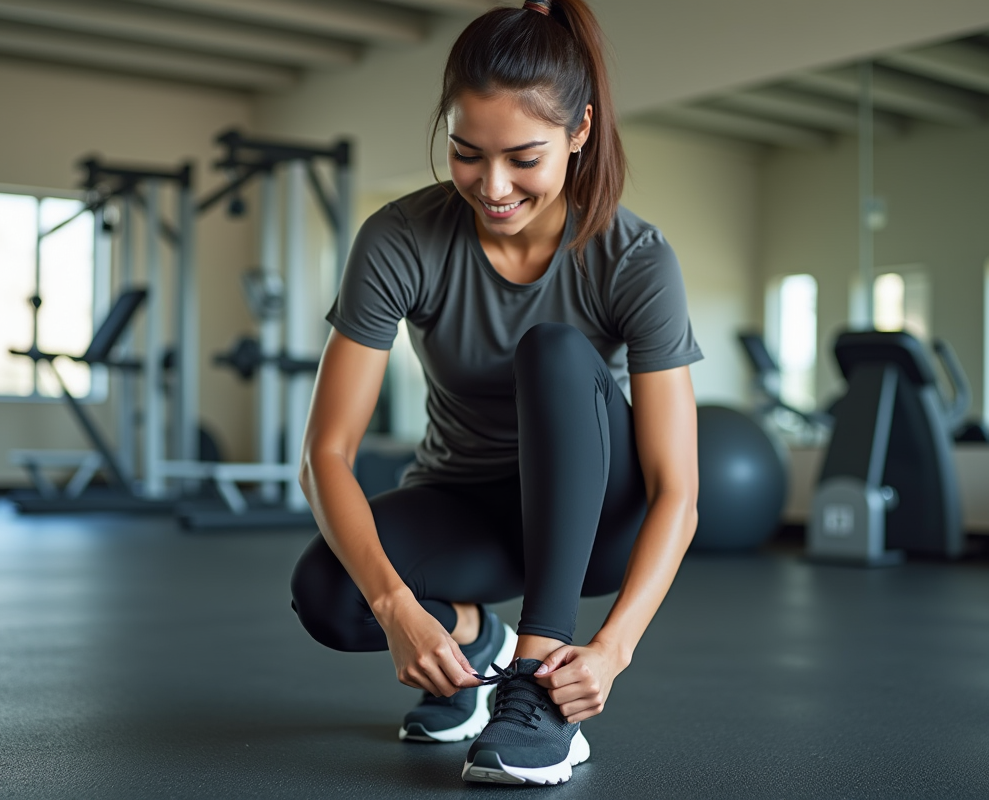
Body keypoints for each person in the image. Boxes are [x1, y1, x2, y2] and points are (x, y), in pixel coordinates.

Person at [291, 0, 700, 786]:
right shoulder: (401, 238)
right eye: (466, 153)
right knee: (328, 594)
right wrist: (398, 610)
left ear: (580, 131)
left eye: (524, 157)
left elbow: (677, 492)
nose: (493, 185)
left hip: (595, 524)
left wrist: (610, 651)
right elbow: (327, 454)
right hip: (469, 506)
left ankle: (539, 683)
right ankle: (481, 641)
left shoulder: (635, 257)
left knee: (548, 352)